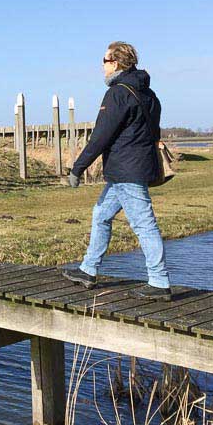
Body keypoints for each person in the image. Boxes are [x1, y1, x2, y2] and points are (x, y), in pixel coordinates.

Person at [62, 41, 171, 300]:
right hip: (134, 168)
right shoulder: (150, 94)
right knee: (100, 214)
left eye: (104, 60)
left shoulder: (117, 93)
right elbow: (152, 133)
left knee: (144, 224)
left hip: (126, 171)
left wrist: (78, 168)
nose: (101, 66)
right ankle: (88, 270)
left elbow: (101, 136)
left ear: (115, 63)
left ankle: (159, 281)